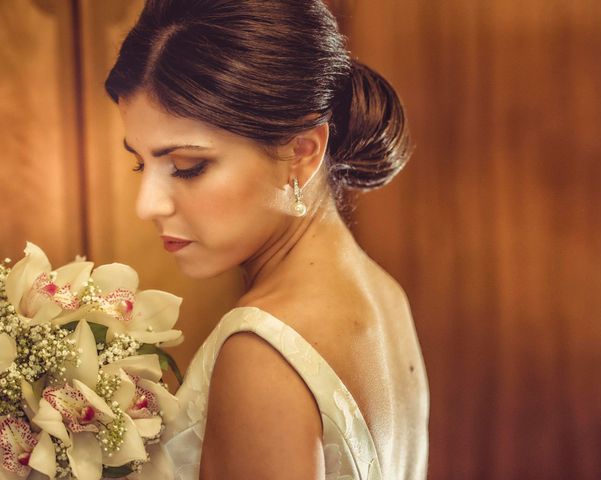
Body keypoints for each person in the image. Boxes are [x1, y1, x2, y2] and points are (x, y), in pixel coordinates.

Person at [105, 0, 429, 478]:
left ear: (301, 152)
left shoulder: (261, 352)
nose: (147, 205)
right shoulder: (384, 295)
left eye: (187, 167)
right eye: (141, 163)